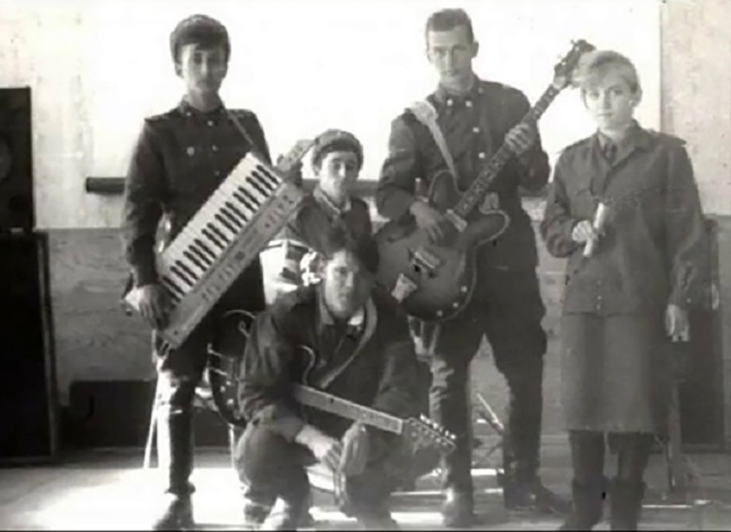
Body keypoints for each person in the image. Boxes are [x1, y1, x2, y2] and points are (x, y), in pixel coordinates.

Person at [375, 7, 565, 526]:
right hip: (447, 271)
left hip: (507, 265)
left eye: (458, 48)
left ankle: (522, 482)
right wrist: (420, 209)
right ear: (427, 54)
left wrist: (525, 155)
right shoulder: (413, 122)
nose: (449, 60)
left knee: (525, 372)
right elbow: (388, 193)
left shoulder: (511, 103)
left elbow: (536, 180)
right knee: (446, 377)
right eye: (439, 51)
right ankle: (455, 487)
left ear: (474, 48)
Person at [540, 50, 709, 530]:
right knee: (582, 406)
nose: (604, 102)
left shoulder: (666, 156)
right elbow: (552, 225)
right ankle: (586, 507)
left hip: (639, 300)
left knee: (635, 409)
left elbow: (688, 233)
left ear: (635, 95)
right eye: (593, 94)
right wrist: (573, 230)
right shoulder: (571, 160)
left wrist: (679, 298)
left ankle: (625, 512)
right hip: (584, 303)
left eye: (615, 92)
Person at [120, 14, 272, 530]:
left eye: (214, 60)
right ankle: (176, 497)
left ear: (227, 65)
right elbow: (137, 213)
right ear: (178, 67)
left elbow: (265, 199)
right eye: (196, 60)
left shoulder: (245, 126)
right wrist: (144, 280)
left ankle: (255, 492)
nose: (206, 70)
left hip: (241, 282)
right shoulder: (158, 132)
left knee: (244, 388)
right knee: (177, 387)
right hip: (179, 283)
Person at [235, 230, 433, 530]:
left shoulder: (388, 316)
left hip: (360, 427)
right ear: (321, 268)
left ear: (373, 280)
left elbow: (401, 386)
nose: (350, 286)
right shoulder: (286, 315)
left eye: (362, 276)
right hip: (299, 425)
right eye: (341, 272)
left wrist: (366, 429)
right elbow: (255, 393)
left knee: (420, 448)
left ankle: (369, 503)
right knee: (256, 452)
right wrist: (312, 438)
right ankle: (294, 499)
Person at [274, 129, 372, 294]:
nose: (343, 174)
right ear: (317, 169)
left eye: (350, 167)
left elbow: (365, 266)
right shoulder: (299, 214)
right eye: (335, 165)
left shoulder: (359, 211)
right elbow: (287, 279)